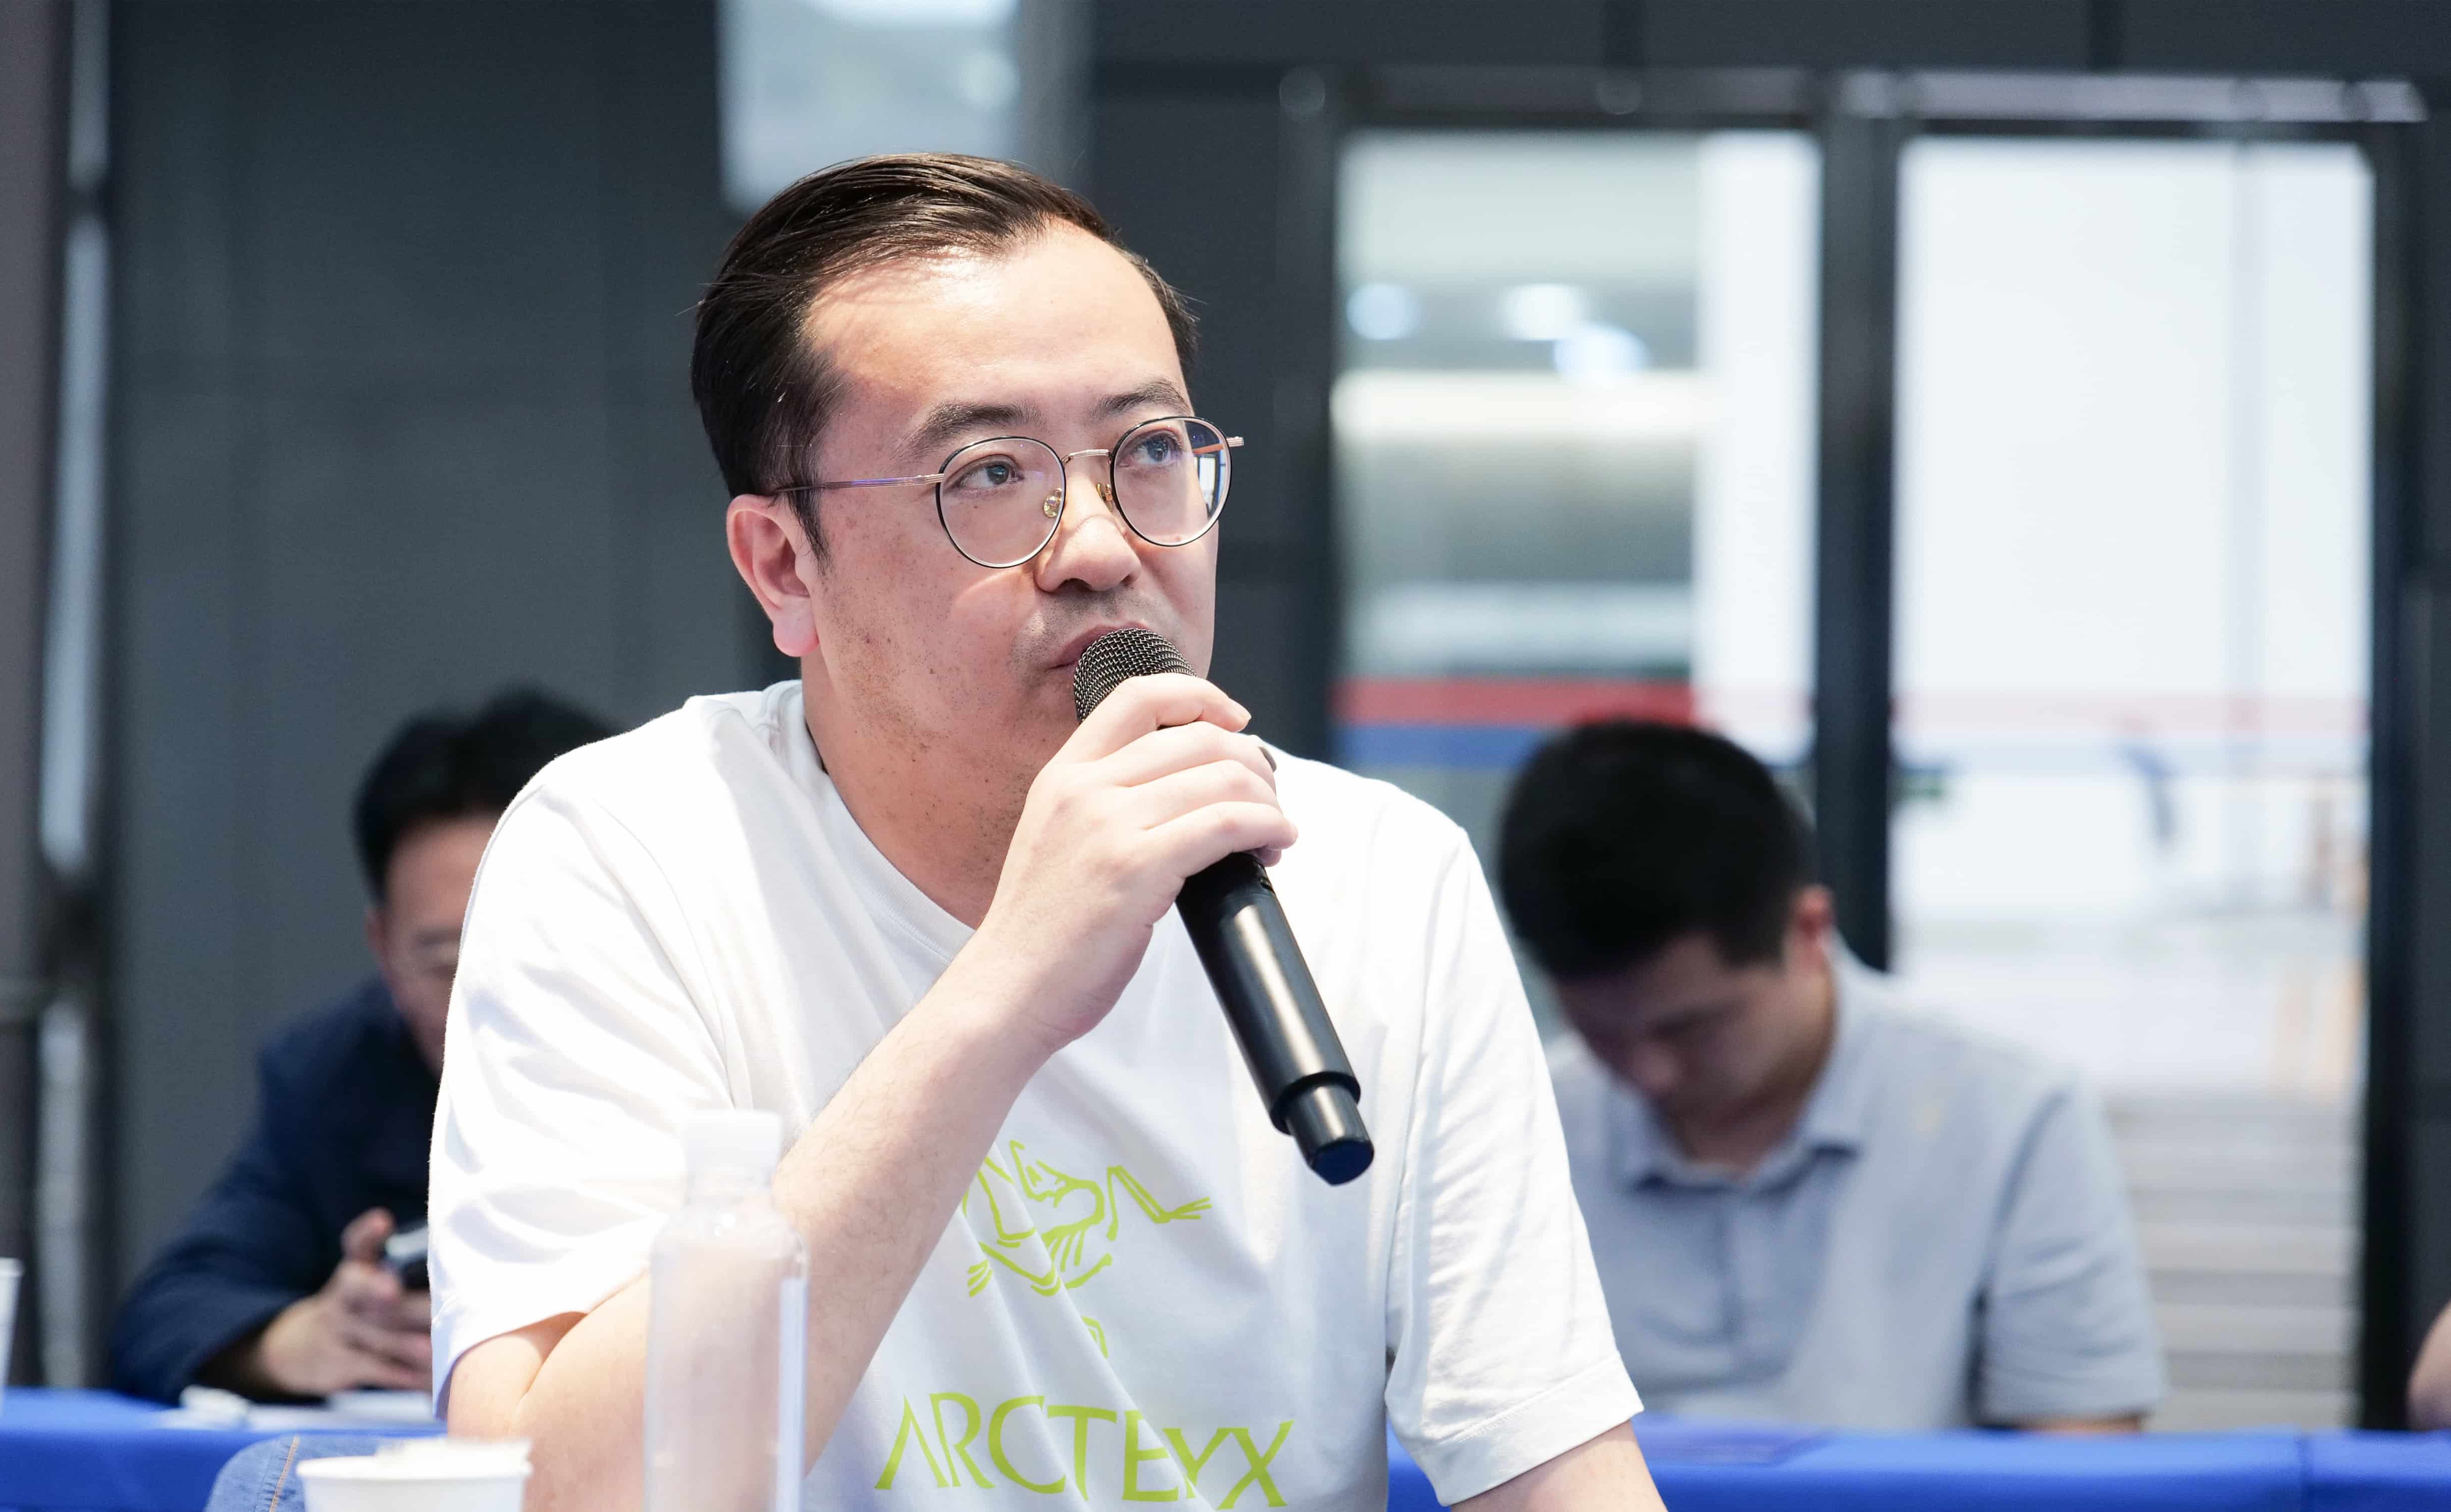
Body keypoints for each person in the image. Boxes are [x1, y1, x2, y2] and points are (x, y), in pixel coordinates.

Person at [432, 154, 1663, 1511]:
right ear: (784, 565)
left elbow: (1556, 1474)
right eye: (990, 473)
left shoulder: (1382, 875)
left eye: (1150, 453)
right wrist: (1010, 985)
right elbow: (549, 1493)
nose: (1098, 546)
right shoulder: (632, 848)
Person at [1497, 719, 2167, 1433]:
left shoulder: (2014, 1117)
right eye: (1600, 1032)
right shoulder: (1519, 1132)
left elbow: (2082, 1453)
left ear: (1809, 932)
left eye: (1692, 1029)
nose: (1648, 1074)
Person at [109, 688, 613, 1403]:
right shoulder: (338, 1076)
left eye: (537, 953)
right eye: (446, 962)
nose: (492, 999)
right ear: (385, 952)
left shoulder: (727, 1044)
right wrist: (299, 1340)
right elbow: (169, 1308)